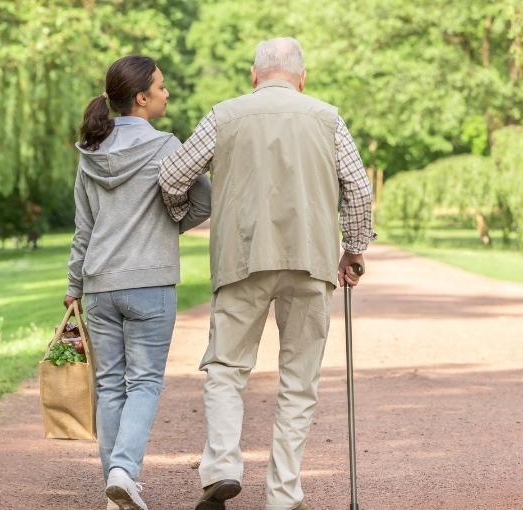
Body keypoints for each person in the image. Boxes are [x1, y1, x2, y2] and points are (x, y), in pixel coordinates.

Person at [159, 37, 375, 510]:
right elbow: (358, 188)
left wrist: (185, 213)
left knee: (225, 369)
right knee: (299, 381)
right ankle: (283, 494)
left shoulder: (224, 115)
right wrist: (353, 250)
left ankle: (220, 468)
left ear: (254, 76)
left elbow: (172, 176)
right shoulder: (327, 117)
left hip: (242, 259)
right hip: (311, 259)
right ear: (303, 77)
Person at [65, 55, 211, 510]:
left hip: (100, 285)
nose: (168, 94)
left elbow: (83, 228)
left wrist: (74, 285)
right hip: (149, 283)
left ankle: (116, 486)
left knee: (110, 385)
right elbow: (204, 201)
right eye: (162, 88)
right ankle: (124, 472)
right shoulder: (167, 147)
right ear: (142, 98)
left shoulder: (90, 154)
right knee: (144, 382)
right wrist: (168, 225)